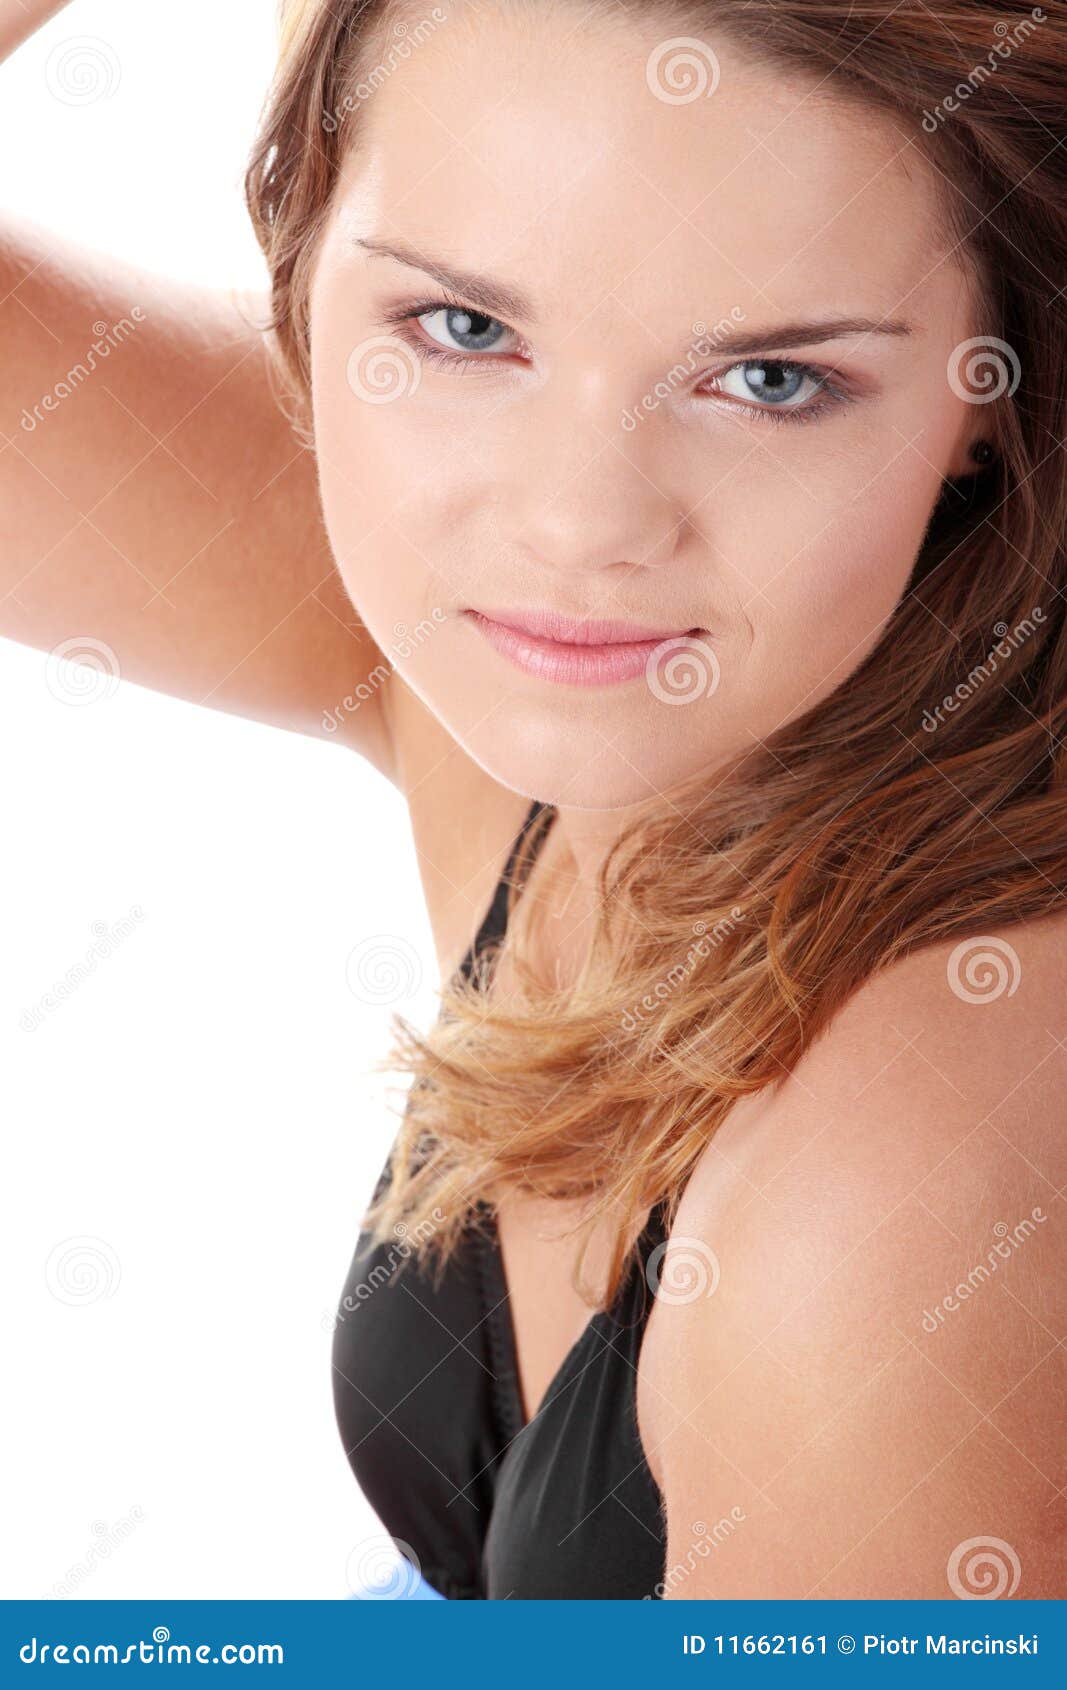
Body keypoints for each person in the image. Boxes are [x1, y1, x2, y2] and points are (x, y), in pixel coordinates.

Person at [3, 0, 1064, 1600]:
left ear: (991, 383)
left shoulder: (903, 1182)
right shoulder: (559, 662)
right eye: (462, 329)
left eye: (772, 378)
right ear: (301, 255)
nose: (580, 525)